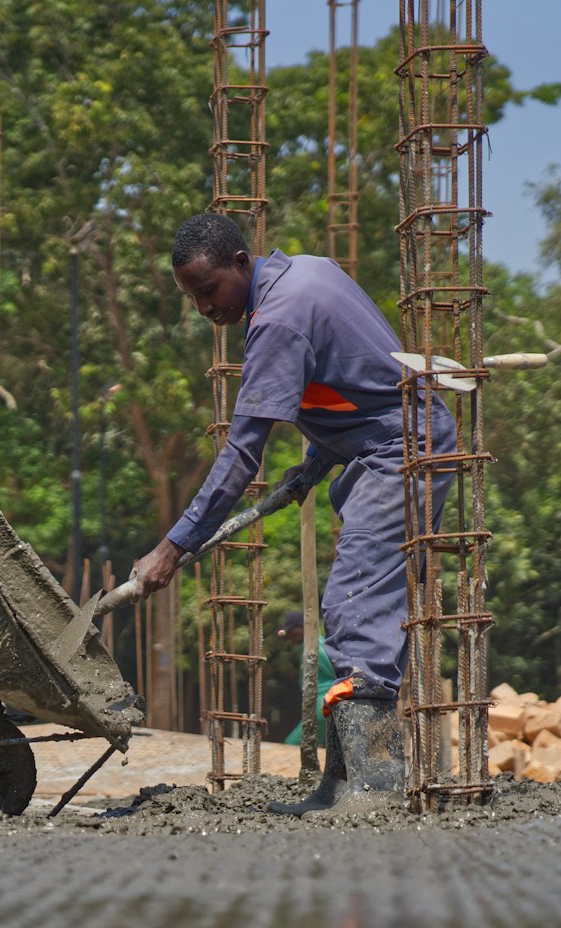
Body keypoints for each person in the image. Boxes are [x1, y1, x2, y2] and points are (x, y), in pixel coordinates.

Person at [133, 213, 455, 813]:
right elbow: (354, 381)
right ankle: (343, 784)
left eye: (208, 290)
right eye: (191, 298)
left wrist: (172, 548)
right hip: (394, 438)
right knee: (362, 609)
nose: (204, 308)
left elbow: (241, 454)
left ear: (239, 261)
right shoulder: (307, 271)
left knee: (354, 604)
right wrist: (311, 466)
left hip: (403, 449)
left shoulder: (278, 319)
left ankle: (375, 790)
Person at [276, 610, 335, 747]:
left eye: (292, 630)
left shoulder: (316, 647)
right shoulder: (307, 646)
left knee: (293, 744)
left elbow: (335, 672)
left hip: (323, 703)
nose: (290, 635)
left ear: (303, 627)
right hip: (319, 704)